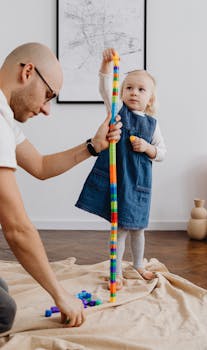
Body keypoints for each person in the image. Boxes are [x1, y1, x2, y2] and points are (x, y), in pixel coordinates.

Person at [0, 42, 122, 333]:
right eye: (48, 95)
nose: (46, 109)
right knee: (4, 312)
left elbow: (40, 166)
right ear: (28, 72)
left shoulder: (5, 120)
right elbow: (17, 228)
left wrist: (94, 146)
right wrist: (60, 295)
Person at [76, 48, 167, 290]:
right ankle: (115, 270)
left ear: (150, 99)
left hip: (139, 183)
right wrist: (106, 67)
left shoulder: (152, 125)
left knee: (138, 227)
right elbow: (106, 89)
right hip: (119, 178)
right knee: (120, 228)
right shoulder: (117, 112)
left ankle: (138, 264)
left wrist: (148, 148)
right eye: (129, 88)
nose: (134, 92)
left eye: (141, 89)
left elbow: (162, 152)